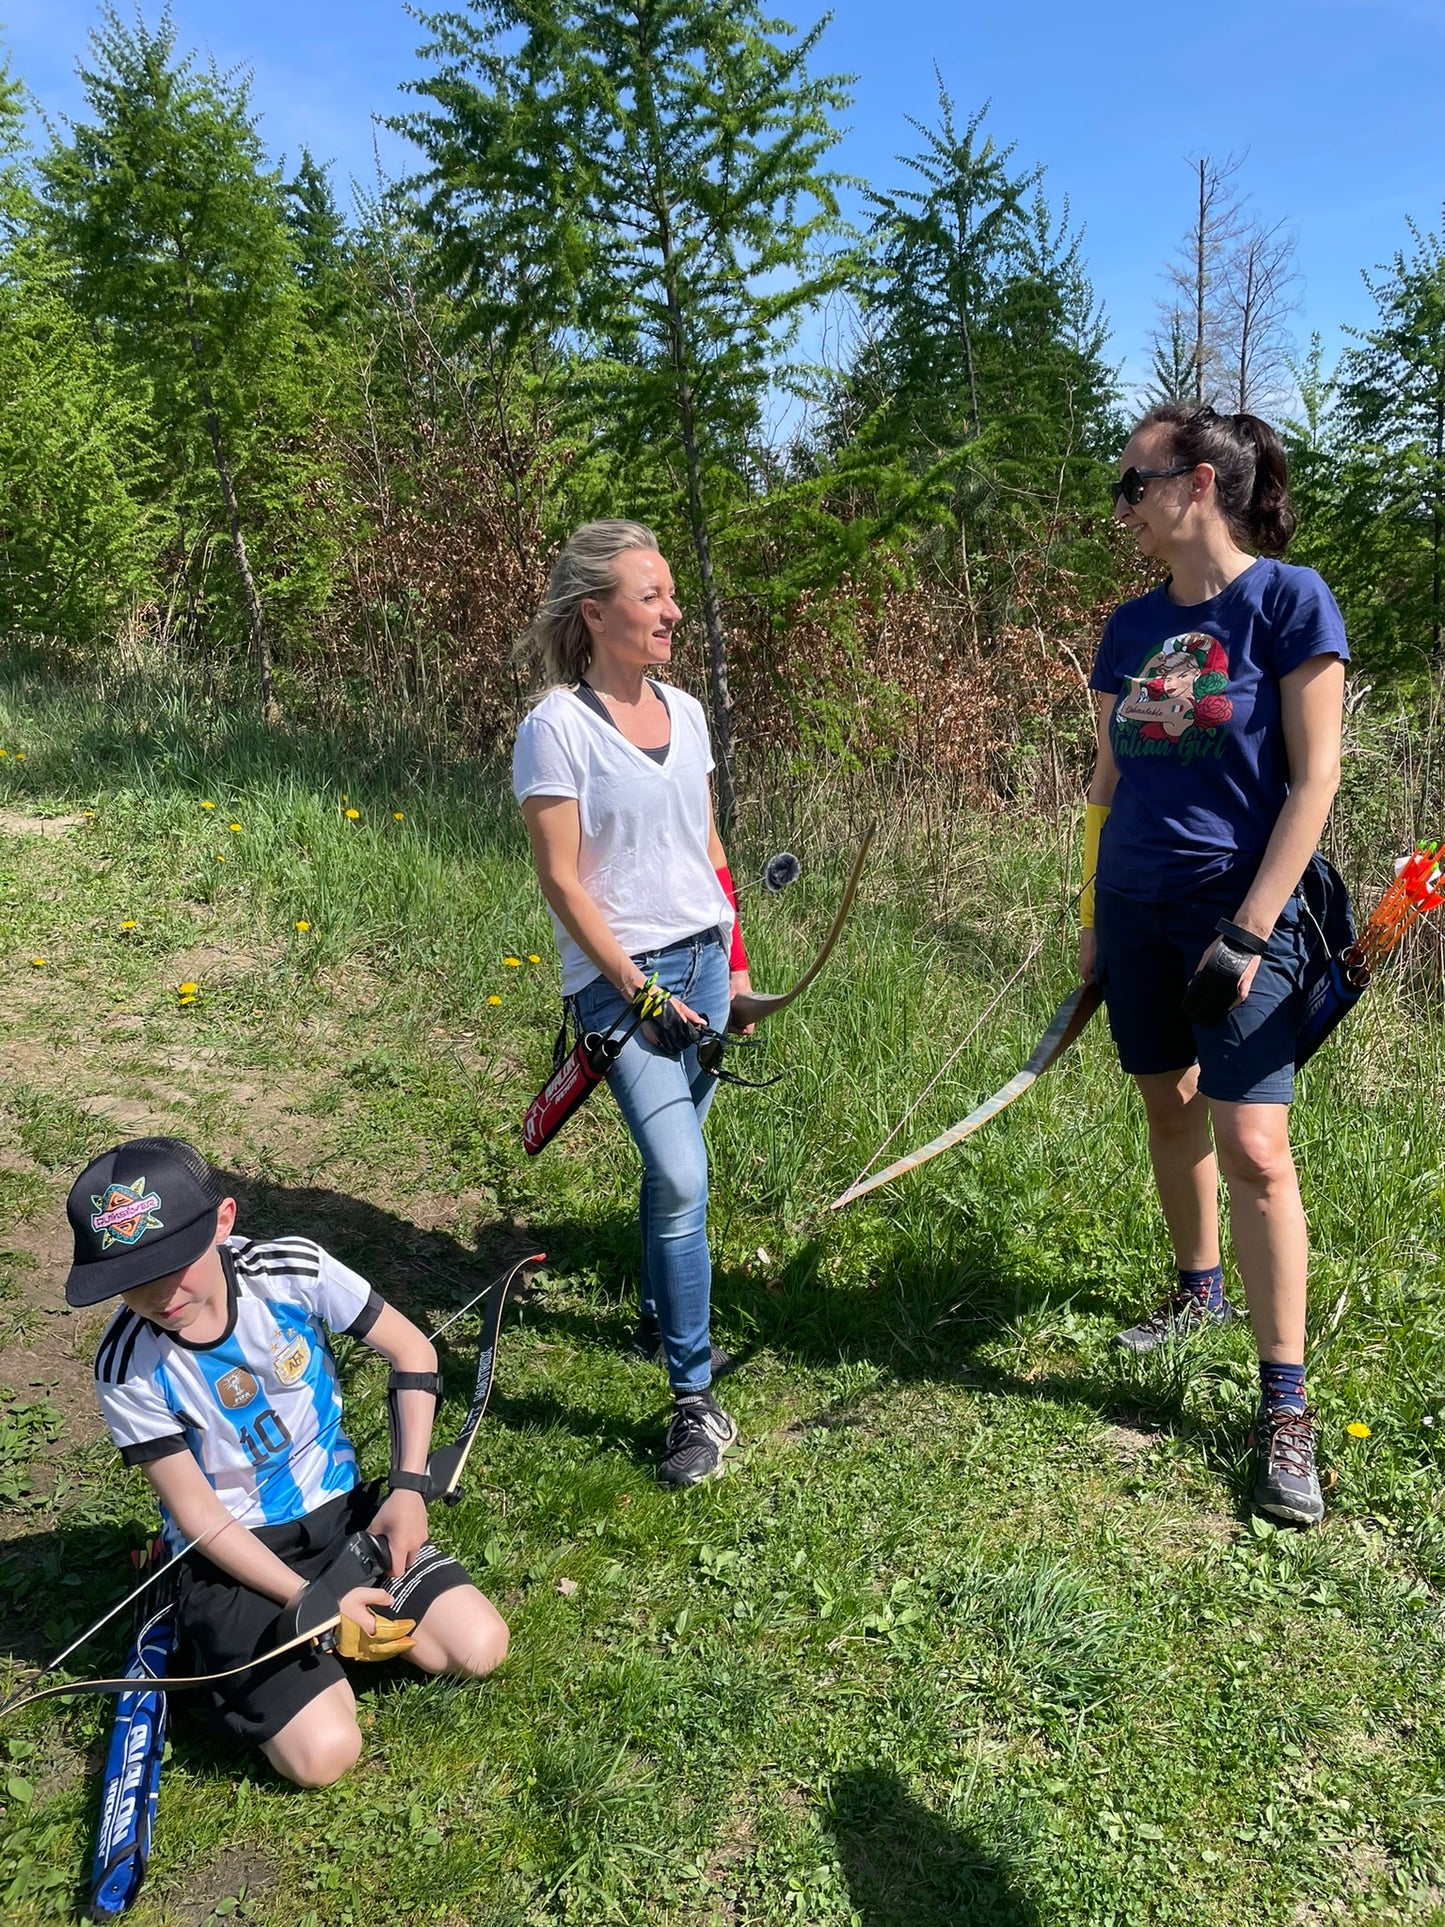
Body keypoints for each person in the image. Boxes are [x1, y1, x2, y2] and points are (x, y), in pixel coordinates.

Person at [1079, 404, 1348, 1526]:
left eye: (1129, 481)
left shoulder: (1287, 601)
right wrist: (1091, 916)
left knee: (1253, 1142)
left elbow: (1313, 780)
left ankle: (1283, 1403)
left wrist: (1244, 932)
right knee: (1164, 1105)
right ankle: (1198, 1293)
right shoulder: (1125, 625)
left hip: (1243, 912)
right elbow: (1101, 785)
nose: (1120, 504)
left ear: (1194, 485)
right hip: (1133, 905)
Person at [70, 1136, 508, 1785]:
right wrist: (313, 1603)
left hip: (343, 1519)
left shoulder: (291, 1269)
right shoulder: (125, 1362)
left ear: (222, 1221)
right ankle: (224, 1636)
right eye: (130, 1282)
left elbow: (414, 1352)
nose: (159, 1295)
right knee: (325, 1753)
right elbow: (195, 1511)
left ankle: (320, 1647)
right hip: (231, 1559)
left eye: (171, 1265)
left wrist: (408, 1490)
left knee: (478, 1645)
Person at [512, 520, 751, 1488]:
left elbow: (709, 848)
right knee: (684, 1174)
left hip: (697, 964)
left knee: (676, 1160)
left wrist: (732, 967)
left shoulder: (686, 712)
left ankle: (659, 1316)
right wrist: (635, 989)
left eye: (667, 593)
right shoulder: (554, 728)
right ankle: (693, 1396)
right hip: (620, 984)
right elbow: (563, 883)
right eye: (649, 596)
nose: (671, 610)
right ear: (594, 613)